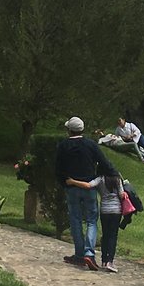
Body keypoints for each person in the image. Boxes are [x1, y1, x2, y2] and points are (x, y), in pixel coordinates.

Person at [53, 116, 116, 272]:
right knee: (91, 220)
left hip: (71, 186)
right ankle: (89, 253)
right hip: (89, 186)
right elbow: (104, 162)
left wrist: (64, 182)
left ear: (69, 130)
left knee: (75, 219)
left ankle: (79, 254)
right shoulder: (90, 145)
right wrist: (115, 175)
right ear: (82, 129)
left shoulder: (63, 146)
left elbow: (57, 167)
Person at [96, 171, 128, 272]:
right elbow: (122, 194)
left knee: (105, 235)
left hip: (104, 210)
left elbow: (90, 185)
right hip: (116, 210)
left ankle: (104, 260)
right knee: (113, 236)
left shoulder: (100, 179)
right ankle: (110, 261)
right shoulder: (116, 179)